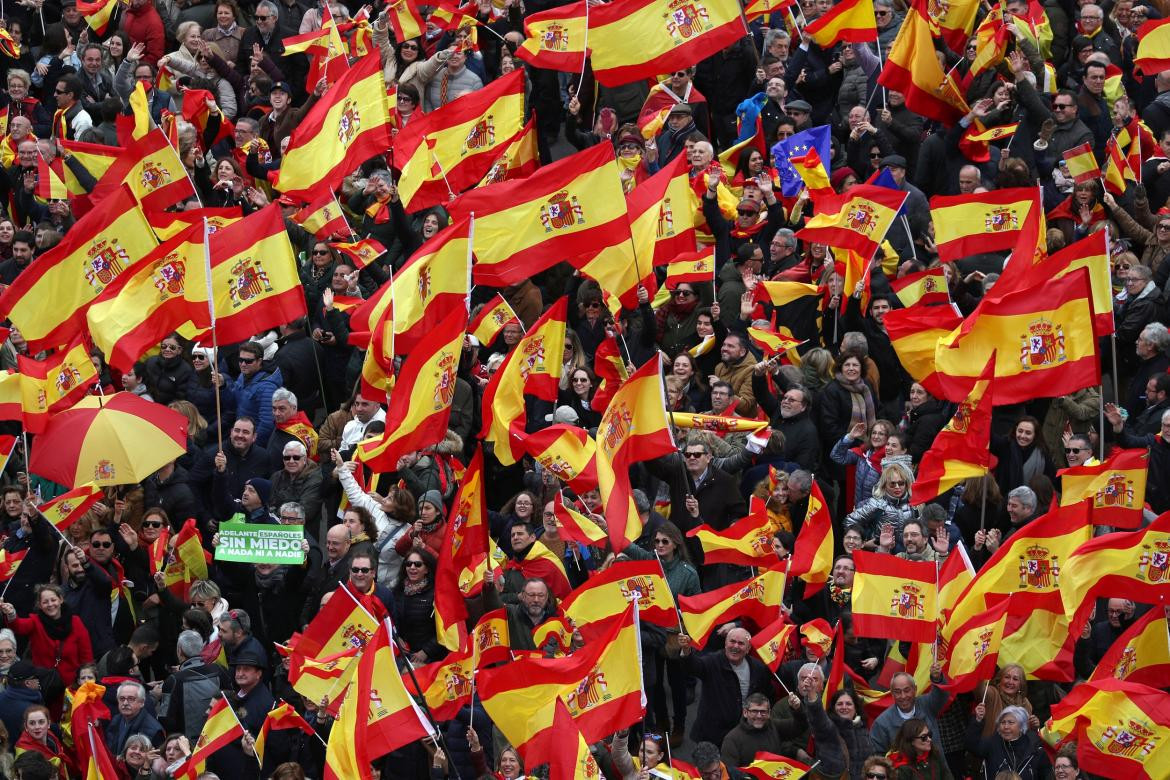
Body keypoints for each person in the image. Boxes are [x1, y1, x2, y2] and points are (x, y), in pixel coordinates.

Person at [677, 627, 771, 747]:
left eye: (741, 643)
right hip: (712, 735)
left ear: (748, 649)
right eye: (732, 641)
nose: (735, 646)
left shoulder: (757, 668)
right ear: (725, 644)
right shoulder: (712, 661)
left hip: (744, 733)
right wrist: (686, 650)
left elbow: (766, 695)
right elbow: (693, 666)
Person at [869, 666, 951, 753]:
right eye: (897, 692)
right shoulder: (882, 724)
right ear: (892, 694)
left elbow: (941, 696)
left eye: (907, 690)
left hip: (935, 765)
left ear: (915, 689)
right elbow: (877, 756)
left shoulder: (926, 704)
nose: (903, 696)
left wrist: (937, 679)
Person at [966, 703, 1051, 779]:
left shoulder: (1035, 748)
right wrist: (977, 720)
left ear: (1021, 726)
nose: (1006, 727)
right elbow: (972, 746)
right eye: (1003, 722)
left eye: (1011, 722)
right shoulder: (992, 743)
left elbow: (1045, 775)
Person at [888, 718, 952, 780]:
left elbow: (948, 776)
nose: (929, 739)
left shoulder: (934, 755)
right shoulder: (902, 768)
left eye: (929, 735)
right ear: (911, 741)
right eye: (924, 737)